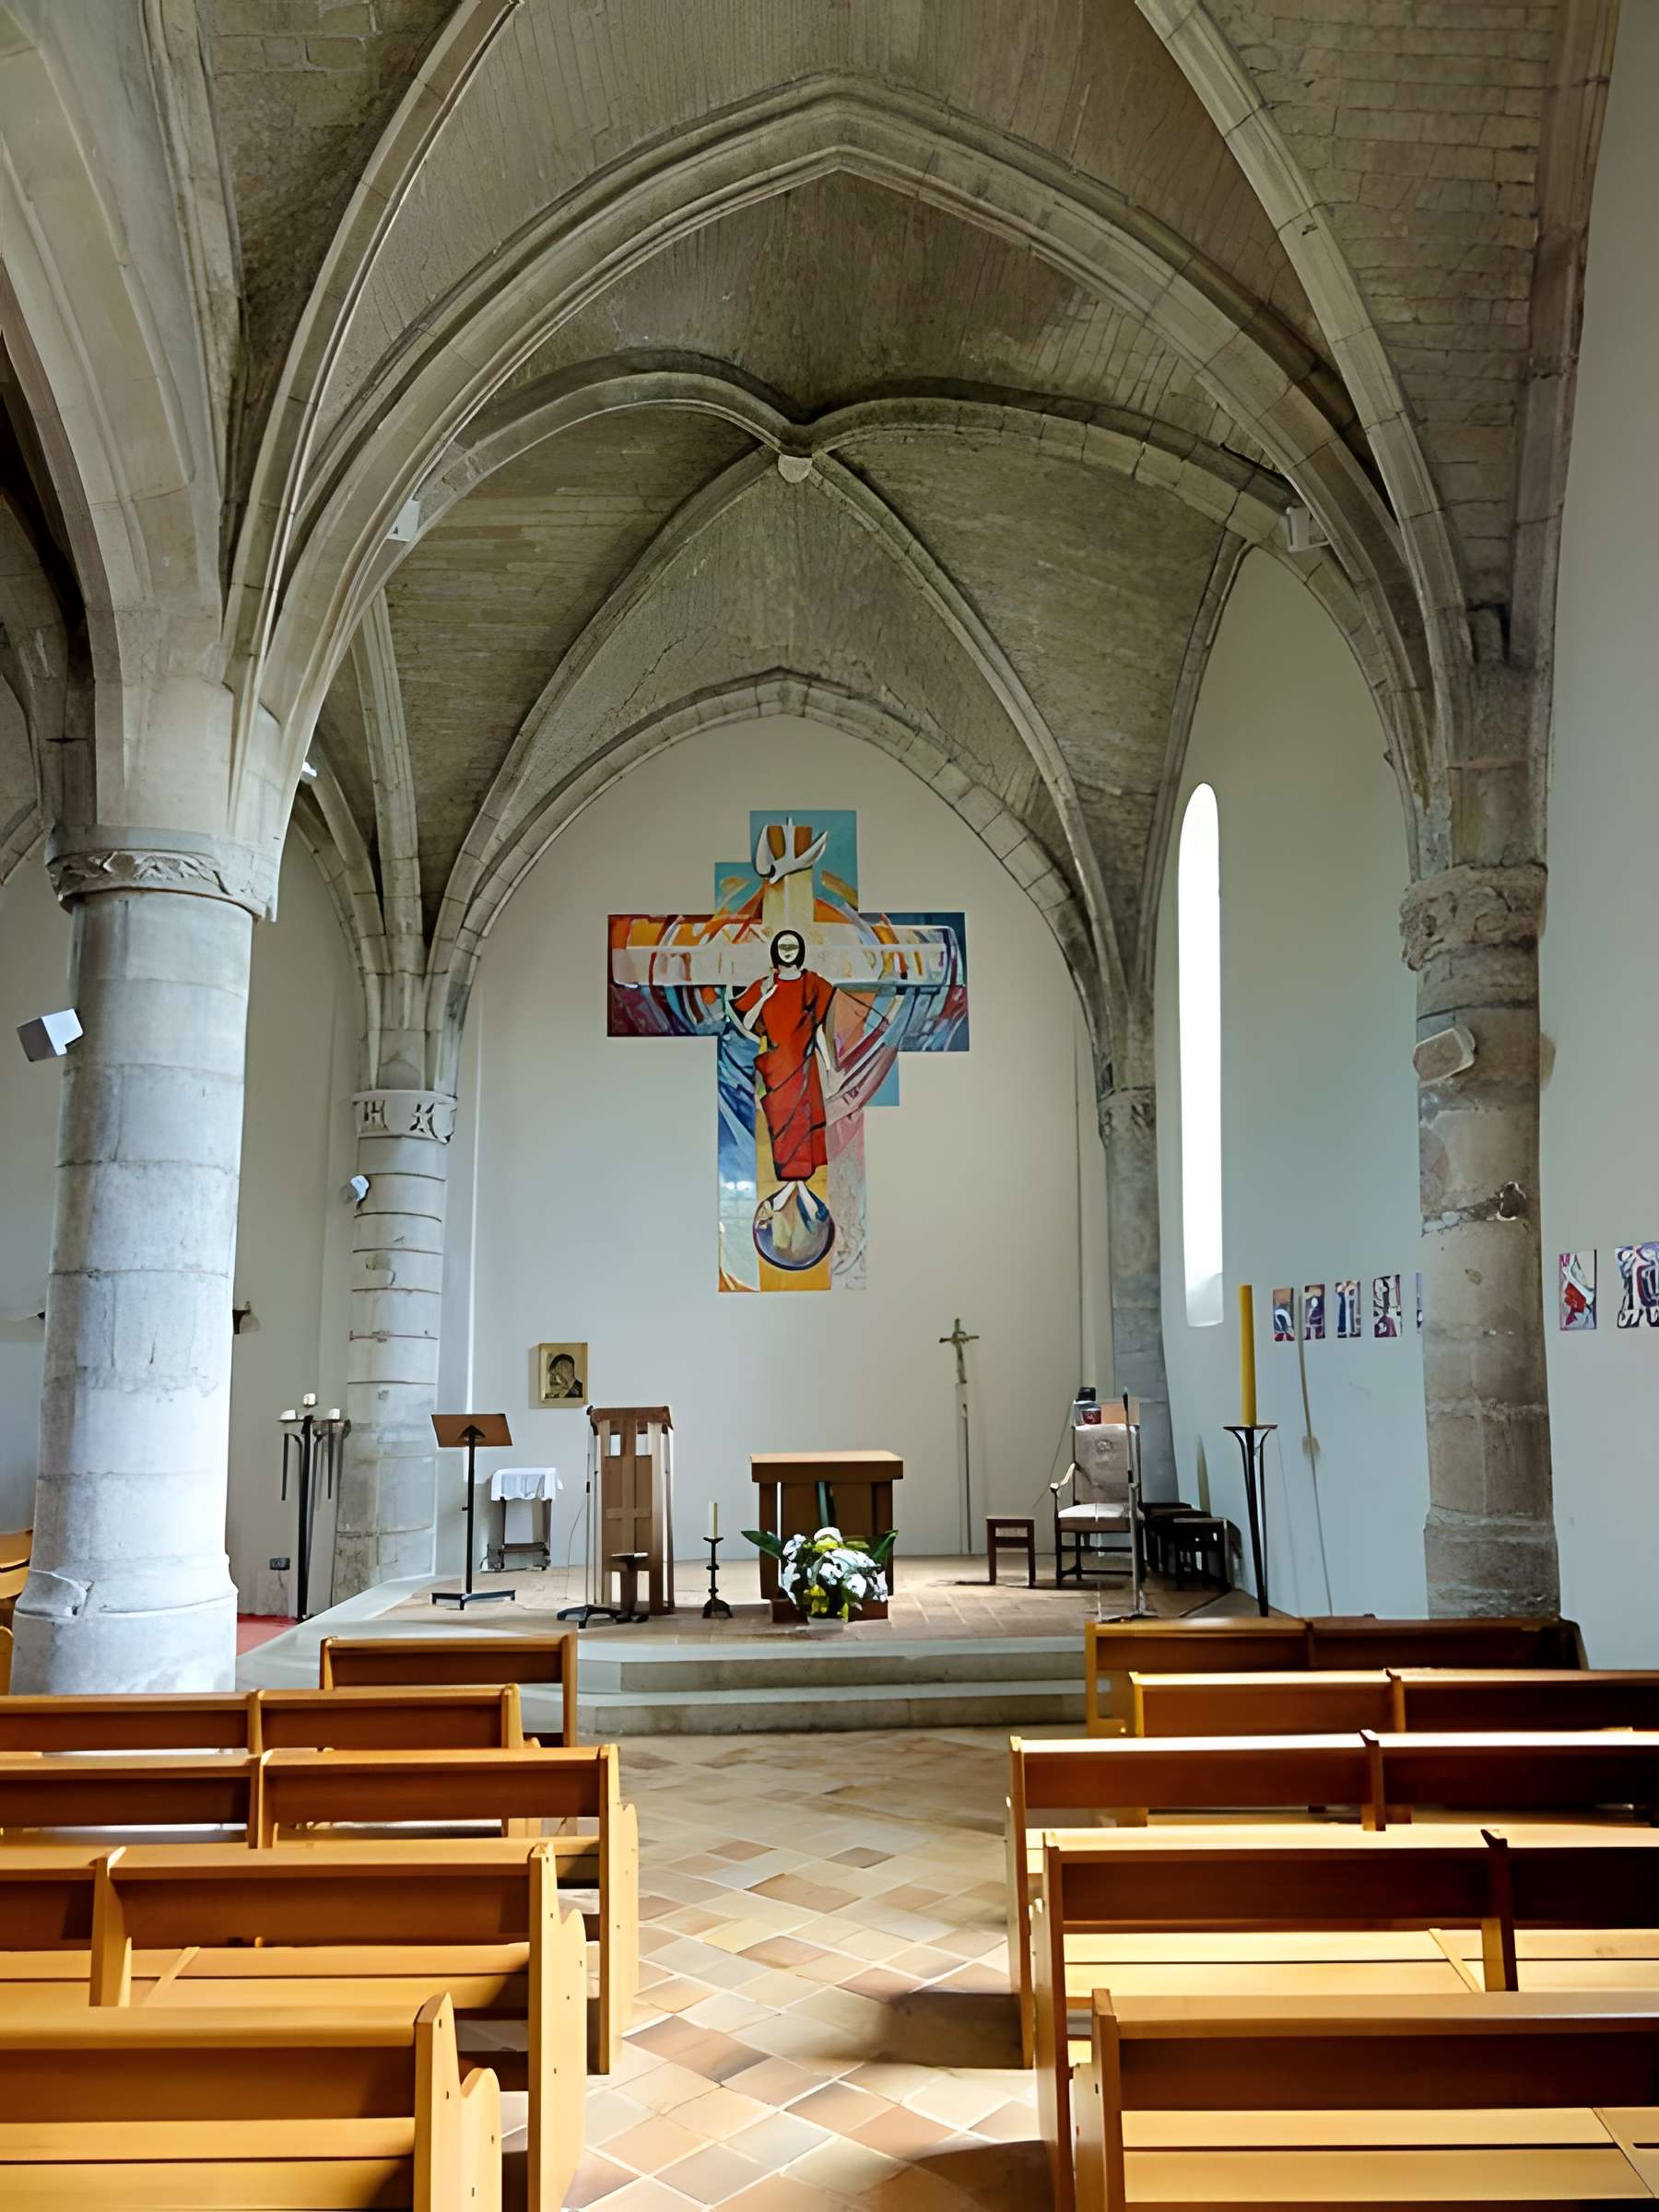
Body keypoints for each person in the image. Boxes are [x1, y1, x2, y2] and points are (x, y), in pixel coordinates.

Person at [732, 929, 840, 1232]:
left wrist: (830, 1069)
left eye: (793, 945)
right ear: (776, 952)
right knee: (782, 1135)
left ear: (800, 949)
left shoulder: (812, 983)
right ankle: (793, 1194)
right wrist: (765, 995)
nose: (789, 950)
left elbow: (819, 1031)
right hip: (776, 1069)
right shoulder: (765, 985)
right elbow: (747, 1024)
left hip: (805, 1068)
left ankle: (796, 1193)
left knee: (803, 1132)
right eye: (783, 946)